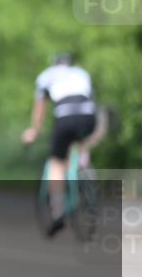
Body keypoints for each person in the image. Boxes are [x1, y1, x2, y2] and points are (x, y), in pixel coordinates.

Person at [21, 53, 96, 237]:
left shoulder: (47, 75)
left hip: (65, 117)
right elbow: (90, 99)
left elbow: (40, 109)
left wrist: (34, 131)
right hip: (88, 116)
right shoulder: (81, 73)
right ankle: (83, 165)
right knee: (79, 142)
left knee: (56, 162)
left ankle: (58, 209)